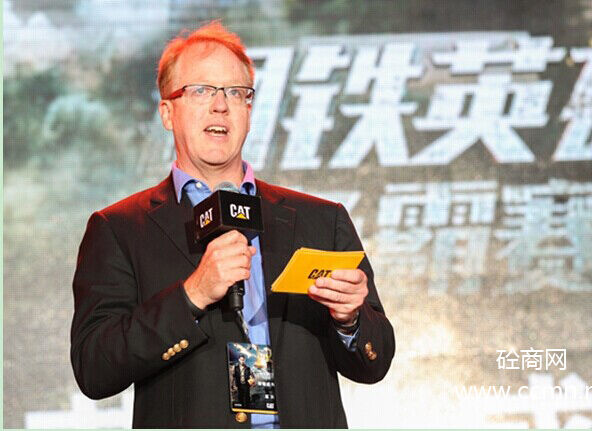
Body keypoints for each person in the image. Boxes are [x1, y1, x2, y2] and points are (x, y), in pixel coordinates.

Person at [70, 21, 394, 428]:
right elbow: (94, 368)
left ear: (249, 111)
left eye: (236, 92)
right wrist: (192, 295)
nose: (220, 105)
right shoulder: (120, 229)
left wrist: (351, 320)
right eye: (200, 91)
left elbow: (375, 360)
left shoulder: (322, 219)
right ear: (167, 112)